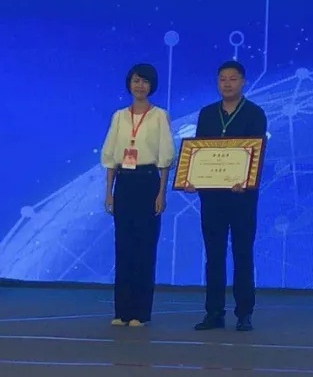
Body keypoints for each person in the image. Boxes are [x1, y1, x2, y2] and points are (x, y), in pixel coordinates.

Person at [191, 60, 268, 332]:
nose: (227, 83)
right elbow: (199, 152)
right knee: (214, 255)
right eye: (222, 78)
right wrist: (192, 178)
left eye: (233, 78)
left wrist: (245, 181)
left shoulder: (255, 113)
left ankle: (244, 313)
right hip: (212, 196)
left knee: (242, 253)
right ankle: (214, 313)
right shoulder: (207, 113)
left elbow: (256, 153)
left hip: (242, 197)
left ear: (243, 81)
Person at [100, 63, 175, 327]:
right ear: (129, 84)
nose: (139, 86)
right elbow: (110, 157)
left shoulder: (159, 116)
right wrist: (109, 193)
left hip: (147, 182)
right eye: (135, 81)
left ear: (151, 85)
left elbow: (165, 158)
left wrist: (161, 193)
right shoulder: (119, 116)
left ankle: (140, 313)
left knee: (144, 248)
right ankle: (121, 311)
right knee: (123, 247)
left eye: (144, 81)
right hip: (124, 183)